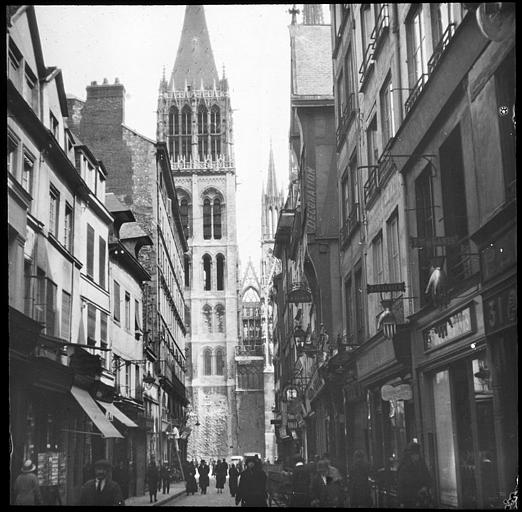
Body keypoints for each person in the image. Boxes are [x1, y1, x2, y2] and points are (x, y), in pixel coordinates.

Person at [397, 441, 432, 508]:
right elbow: (402, 486)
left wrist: (426, 487)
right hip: (410, 501)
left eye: (418, 454)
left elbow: (428, 478)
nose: (417, 456)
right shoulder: (404, 467)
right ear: (411, 455)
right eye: (415, 454)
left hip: (421, 499)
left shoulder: (421, 464)